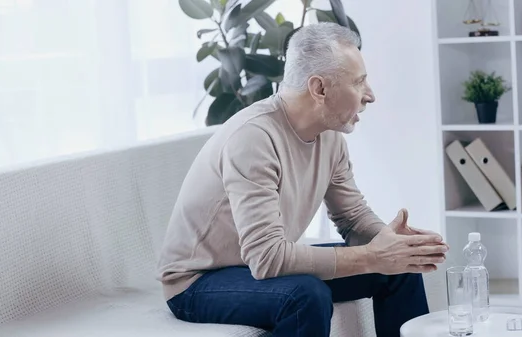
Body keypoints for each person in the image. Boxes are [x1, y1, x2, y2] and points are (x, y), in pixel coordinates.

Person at [157, 22, 449, 337]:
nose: (370, 95)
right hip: (199, 282)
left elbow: (351, 217)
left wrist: (388, 243)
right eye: (359, 82)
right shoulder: (253, 138)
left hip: (252, 267)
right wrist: (372, 256)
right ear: (319, 89)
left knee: (399, 270)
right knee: (305, 295)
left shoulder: (330, 136)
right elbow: (267, 258)